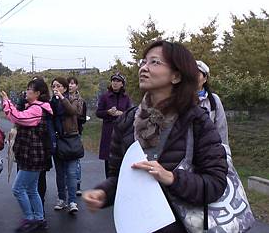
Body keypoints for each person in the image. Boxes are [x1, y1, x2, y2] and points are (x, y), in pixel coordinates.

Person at [83, 41, 228, 232]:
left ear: (176, 76)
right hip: (136, 224)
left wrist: (171, 178)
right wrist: (103, 192)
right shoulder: (127, 121)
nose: (144, 68)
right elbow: (120, 178)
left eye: (155, 62)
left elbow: (215, 183)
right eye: (143, 62)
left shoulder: (196, 120)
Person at [1, 79, 52, 233]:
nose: (26, 91)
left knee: (18, 189)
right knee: (31, 189)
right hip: (30, 154)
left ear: (38, 93)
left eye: (30, 89)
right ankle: (39, 218)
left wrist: (6, 101)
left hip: (32, 154)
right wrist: (10, 106)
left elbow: (18, 118)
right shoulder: (34, 107)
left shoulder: (37, 109)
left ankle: (30, 219)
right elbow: (14, 117)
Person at [50, 77, 83, 214]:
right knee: (60, 173)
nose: (55, 88)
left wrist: (62, 98)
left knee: (71, 172)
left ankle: (72, 201)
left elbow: (72, 111)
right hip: (57, 140)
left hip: (71, 139)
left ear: (64, 87)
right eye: (53, 86)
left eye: (58, 86)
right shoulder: (51, 102)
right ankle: (61, 199)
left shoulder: (73, 99)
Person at [95, 72, 132, 178]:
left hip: (122, 132)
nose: (115, 83)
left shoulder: (126, 98)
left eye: (118, 81)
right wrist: (108, 112)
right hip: (109, 131)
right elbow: (98, 113)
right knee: (109, 162)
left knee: (122, 160)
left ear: (122, 84)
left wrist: (122, 113)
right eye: (113, 81)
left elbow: (131, 113)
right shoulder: (105, 97)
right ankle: (109, 187)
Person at [196, 60, 229, 146]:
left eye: (197, 74)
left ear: (205, 78)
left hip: (208, 148)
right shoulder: (181, 98)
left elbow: (221, 129)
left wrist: (225, 154)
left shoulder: (213, 100)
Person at [67, 76, 86, 196]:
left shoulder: (81, 101)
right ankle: (66, 184)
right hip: (64, 133)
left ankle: (77, 184)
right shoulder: (62, 98)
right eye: (68, 83)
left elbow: (82, 118)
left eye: (73, 84)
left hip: (76, 132)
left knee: (76, 159)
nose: (70, 85)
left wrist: (74, 117)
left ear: (77, 86)